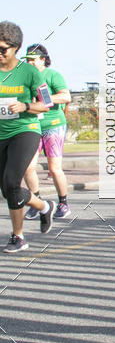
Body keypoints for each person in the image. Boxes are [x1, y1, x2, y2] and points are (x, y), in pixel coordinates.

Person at [0, 22, 56, 253]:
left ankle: (18, 237)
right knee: (7, 190)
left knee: (12, 182)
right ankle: (44, 206)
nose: (0, 53)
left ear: (16, 48)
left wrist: (24, 105)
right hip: (1, 133)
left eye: (3, 49)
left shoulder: (29, 72)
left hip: (25, 131)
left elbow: (47, 103)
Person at [23, 44, 72, 219]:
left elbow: (66, 96)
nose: (29, 63)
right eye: (27, 60)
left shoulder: (52, 75)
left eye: (32, 60)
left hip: (54, 125)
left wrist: (46, 98)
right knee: (28, 167)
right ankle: (37, 202)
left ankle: (63, 202)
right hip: (32, 126)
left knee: (54, 167)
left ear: (43, 59)